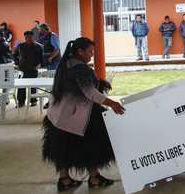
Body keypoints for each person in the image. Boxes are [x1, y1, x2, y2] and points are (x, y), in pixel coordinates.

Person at [42, 37, 125, 191]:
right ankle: (94, 178)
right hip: (76, 117)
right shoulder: (81, 69)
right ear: (80, 51)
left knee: (63, 149)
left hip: (59, 116)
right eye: (90, 52)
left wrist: (99, 83)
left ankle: (65, 179)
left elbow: (77, 85)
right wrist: (112, 103)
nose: (91, 55)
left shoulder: (66, 64)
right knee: (91, 146)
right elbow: (90, 93)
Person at [14, 31, 45, 108]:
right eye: (26, 38)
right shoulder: (20, 46)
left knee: (33, 86)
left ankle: (33, 101)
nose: (28, 39)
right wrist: (17, 63)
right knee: (21, 86)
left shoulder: (39, 46)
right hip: (22, 69)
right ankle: (21, 102)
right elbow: (14, 55)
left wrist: (40, 65)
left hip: (33, 69)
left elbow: (42, 59)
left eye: (30, 37)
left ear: (33, 37)